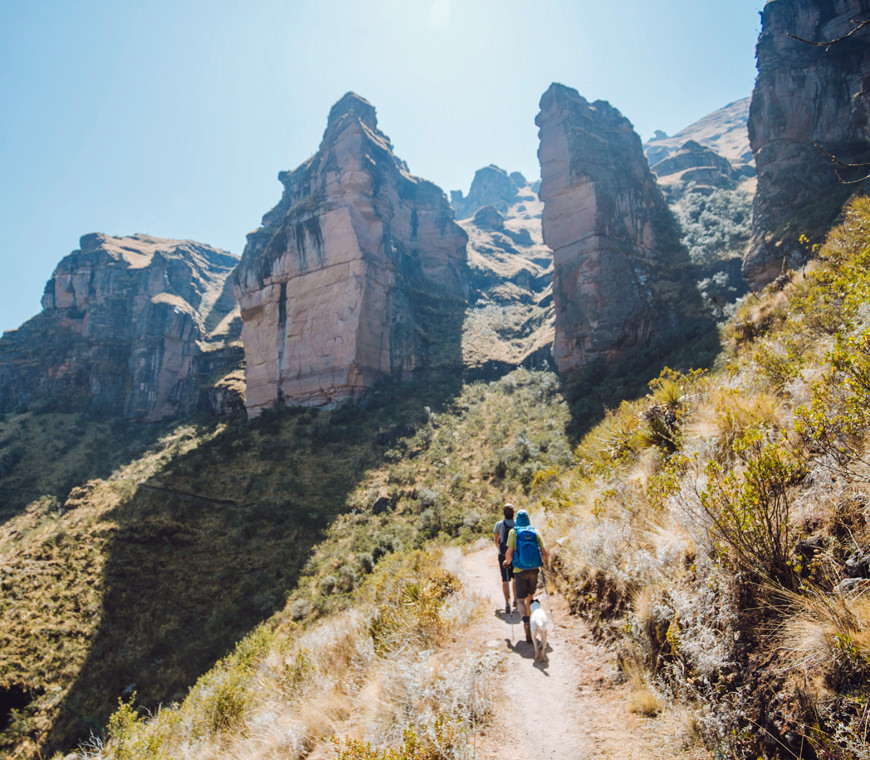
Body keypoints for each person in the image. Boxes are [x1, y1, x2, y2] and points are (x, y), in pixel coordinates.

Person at [503, 509, 547, 643]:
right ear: (528, 519)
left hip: (519, 569)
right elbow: (544, 552)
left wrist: (506, 562)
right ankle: (532, 622)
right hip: (534, 569)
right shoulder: (535, 531)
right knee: (530, 597)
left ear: (517, 519)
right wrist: (541, 563)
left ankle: (526, 622)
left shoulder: (514, 532)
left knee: (520, 600)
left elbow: (510, 552)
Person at [493, 504, 517, 614]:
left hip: (502, 555)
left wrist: (501, 551)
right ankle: (516, 601)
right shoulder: (517, 524)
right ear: (513, 513)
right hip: (515, 554)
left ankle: (507, 603)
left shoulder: (499, 524)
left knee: (505, 580)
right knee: (515, 578)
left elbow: (496, 541)